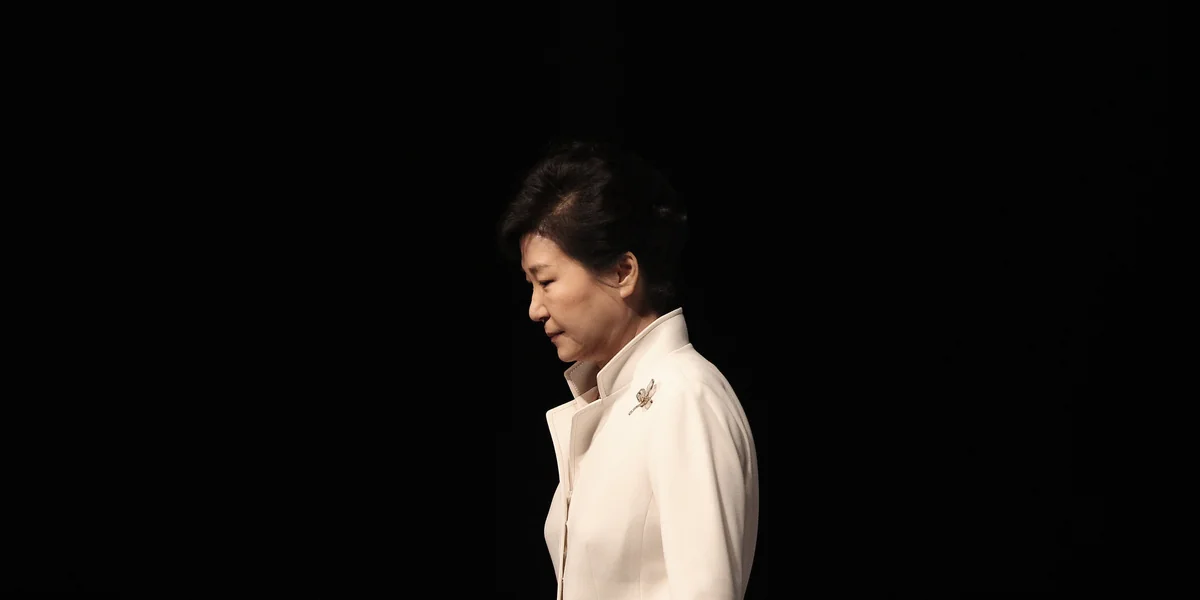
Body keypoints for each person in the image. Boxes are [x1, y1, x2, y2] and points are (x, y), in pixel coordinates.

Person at [497, 141, 759, 599]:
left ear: (623, 272)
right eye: (531, 285)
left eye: (547, 281)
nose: (535, 308)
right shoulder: (619, 403)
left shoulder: (685, 396)